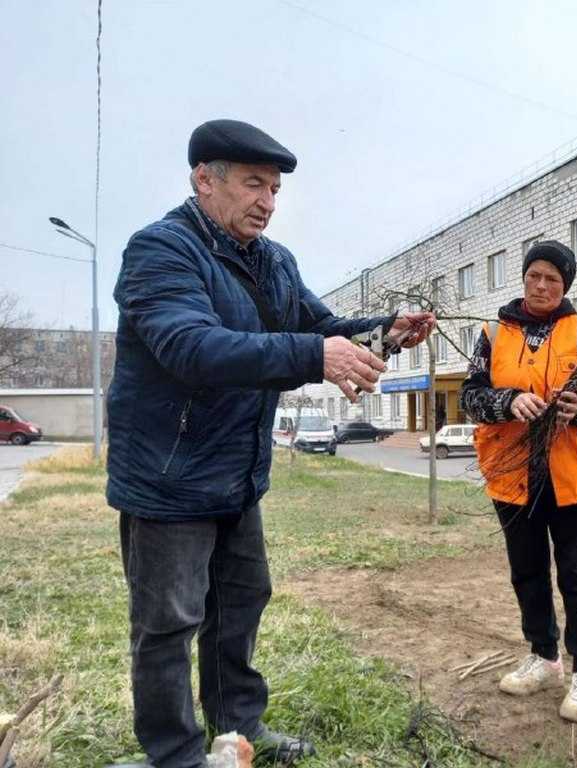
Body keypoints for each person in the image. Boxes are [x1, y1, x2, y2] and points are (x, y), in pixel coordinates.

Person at [106, 119, 434, 768]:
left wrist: (385, 333)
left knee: (239, 605)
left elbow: (321, 327)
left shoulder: (274, 261)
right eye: (254, 184)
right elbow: (191, 347)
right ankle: (175, 755)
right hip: (168, 480)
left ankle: (237, 732)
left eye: (275, 189)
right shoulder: (161, 252)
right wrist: (317, 354)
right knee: (168, 625)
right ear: (205, 180)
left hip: (236, 477)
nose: (268, 201)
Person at [460, 241, 577, 724]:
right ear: (524, 279)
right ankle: (544, 655)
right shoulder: (492, 332)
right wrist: (507, 401)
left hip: (574, 475)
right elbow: (471, 395)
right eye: (535, 276)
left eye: (553, 278)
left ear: (565, 285)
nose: (543, 285)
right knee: (527, 571)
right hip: (513, 475)